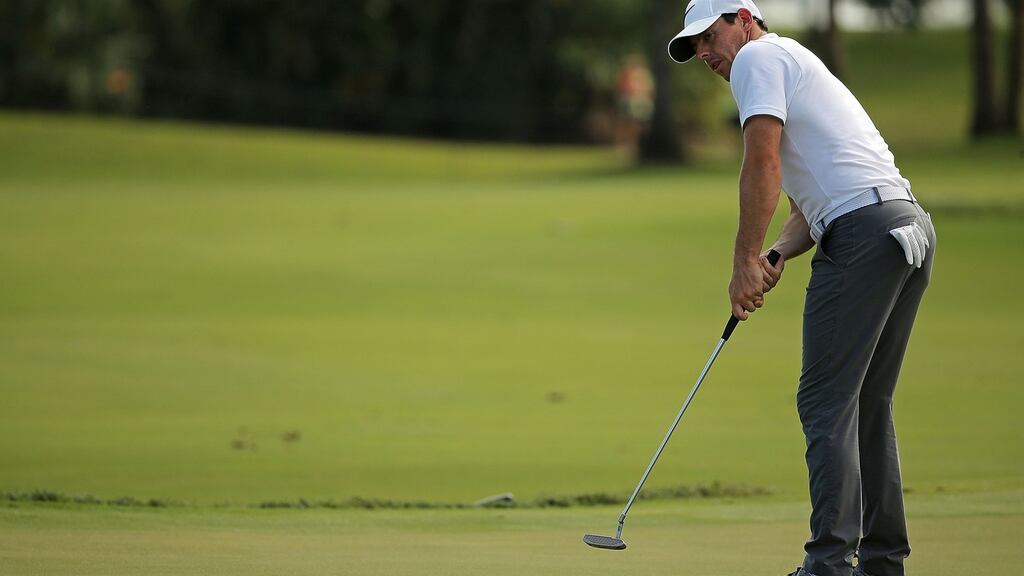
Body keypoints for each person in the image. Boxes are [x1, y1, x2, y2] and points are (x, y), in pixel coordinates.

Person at [666, 2, 936, 576]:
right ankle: (883, 563)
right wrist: (773, 254)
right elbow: (812, 206)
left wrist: (741, 262)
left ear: (743, 18)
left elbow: (761, 164)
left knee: (824, 402)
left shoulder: (758, 58)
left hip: (864, 235)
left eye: (709, 37)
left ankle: (830, 565)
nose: (706, 54)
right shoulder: (792, 59)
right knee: (867, 402)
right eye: (695, 48)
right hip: (904, 226)